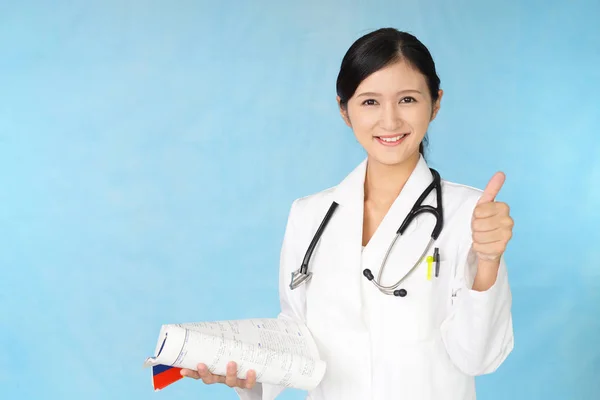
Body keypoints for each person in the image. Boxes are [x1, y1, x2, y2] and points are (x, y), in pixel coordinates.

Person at [181, 27, 514, 399]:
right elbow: (298, 333)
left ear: (435, 103)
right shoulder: (309, 215)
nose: (389, 121)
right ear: (344, 110)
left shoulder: (469, 214)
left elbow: (478, 358)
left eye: (407, 99)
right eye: (370, 102)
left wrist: (488, 262)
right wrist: (250, 374)